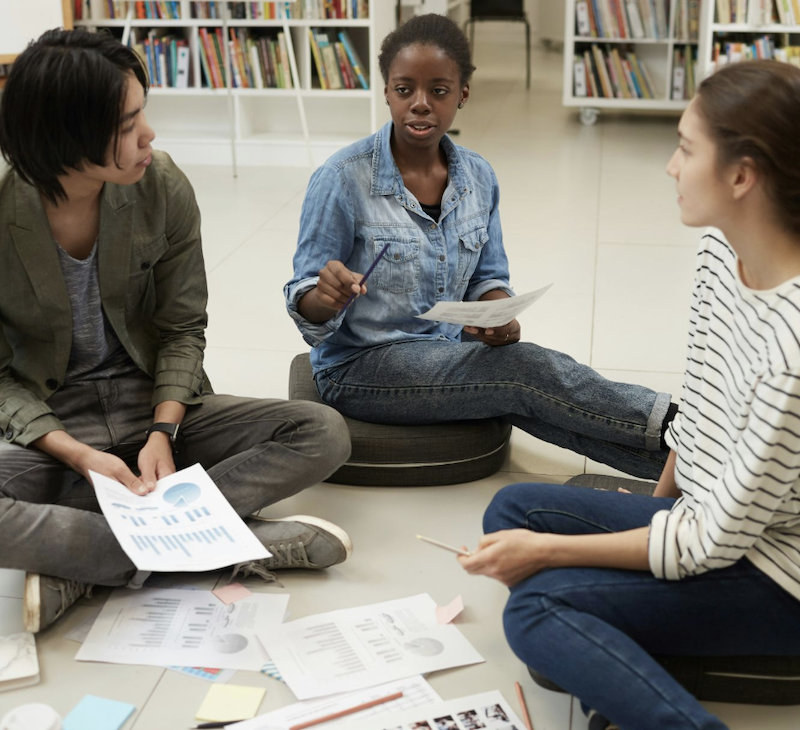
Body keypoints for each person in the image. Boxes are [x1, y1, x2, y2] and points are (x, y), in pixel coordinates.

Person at [459, 60, 800, 730]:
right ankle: (620, 687)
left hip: (774, 575)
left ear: (741, 174)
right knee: (512, 508)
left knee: (537, 606)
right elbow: (698, 405)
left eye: (685, 148)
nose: (671, 167)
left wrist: (557, 553)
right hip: (705, 522)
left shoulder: (793, 353)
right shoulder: (718, 252)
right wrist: (653, 513)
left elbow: (711, 546)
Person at [0, 29, 352, 634]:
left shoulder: (162, 185)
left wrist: (164, 431)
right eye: (128, 123)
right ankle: (223, 543)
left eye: (145, 113)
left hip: (158, 409)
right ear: (69, 136)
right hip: (54, 423)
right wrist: (81, 457)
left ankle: (81, 563)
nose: (150, 135)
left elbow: (183, 327)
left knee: (321, 432)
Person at [285, 14, 675, 481]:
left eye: (440, 91)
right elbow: (305, 293)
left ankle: (694, 473)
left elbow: (488, 279)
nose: (421, 105)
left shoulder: (478, 177)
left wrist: (497, 317)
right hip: (361, 367)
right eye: (405, 89)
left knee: (528, 396)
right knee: (525, 372)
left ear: (463, 94)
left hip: (446, 352)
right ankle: (682, 425)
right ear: (386, 91)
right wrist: (322, 298)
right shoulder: (341, 178)